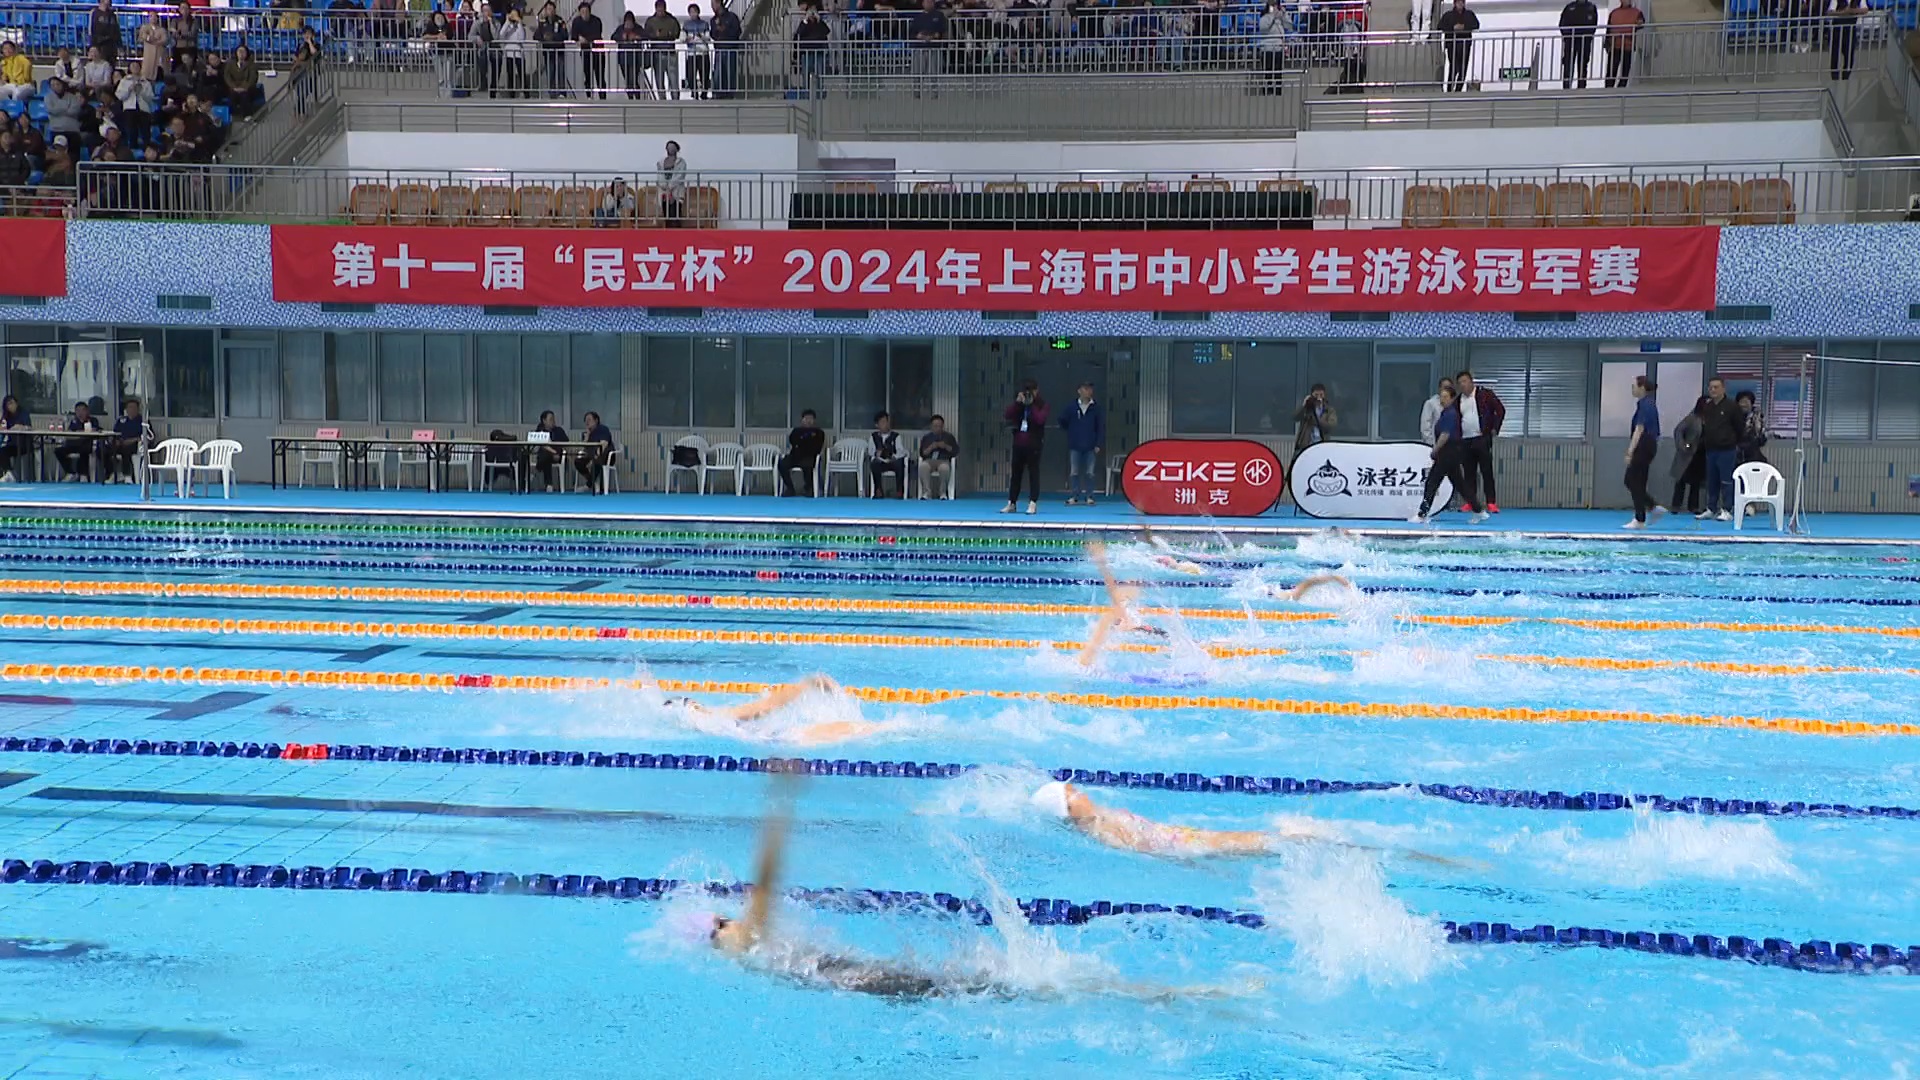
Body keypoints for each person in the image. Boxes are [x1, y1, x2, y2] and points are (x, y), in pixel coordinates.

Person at [693, 774, 1252, 1000]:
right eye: (718, 925)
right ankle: (1183, 994)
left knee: (1014, 983)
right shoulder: (750, 944)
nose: (726, 919)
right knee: (1021, 983)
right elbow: (767, 880)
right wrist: (780, 805)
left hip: (877, 982)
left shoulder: (765, 957)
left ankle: (1172, 994)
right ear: (721, 940)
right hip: (882, 982)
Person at [667, 675, 887, 745]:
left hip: (776, 737)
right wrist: (807, 685)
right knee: (866, 729)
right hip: (778, 738)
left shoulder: (715, 720)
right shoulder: (715, 719)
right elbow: (766, 707)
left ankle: (883, 728)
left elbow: (766, 708)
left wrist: (806, 686)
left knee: (865, 729)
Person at [1412, 383, 1466, 523]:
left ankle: (1422, 514)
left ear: (1452, 398)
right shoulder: (1446, 412)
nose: (1442, 400)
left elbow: (1445, 435)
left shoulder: (1451, 414)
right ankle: (1479, 510)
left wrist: (1435, 450)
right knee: (1460, 484)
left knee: (1432, 482)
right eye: (1441, 396)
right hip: (1449, 453)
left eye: (1445, 397)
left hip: (1446, 453)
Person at [1454, 369, 1504, 516]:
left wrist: (1494, 428)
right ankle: (1471, 502)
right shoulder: (1458, 400)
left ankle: (1491, 502)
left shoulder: (1485, 395)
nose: (1463, 385)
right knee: (1469, 472)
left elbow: (1500, 410)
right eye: (1460, 383)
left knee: (1486, 470)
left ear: (1471, 381)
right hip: (1465, 440)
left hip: (1481, 438)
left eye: (1465, 381)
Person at [1001, 379, 1048, 515]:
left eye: (1032, 391)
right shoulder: (1019, 405)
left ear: (1037, 391)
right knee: (1016, 475)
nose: (1029, 394)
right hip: (1018, 443)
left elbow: (1040, 419)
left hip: (1034, 444)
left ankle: (1033, 502)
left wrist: (1031, 405)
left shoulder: (1042, 405)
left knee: (1033, 474)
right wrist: (1017, 403)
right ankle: (1012, 502)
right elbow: (1008, 415)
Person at [1698, 376, 1741, 522]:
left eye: (1716, 387)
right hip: (1711, 450)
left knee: (1726, 480)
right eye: (1711, 387)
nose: (1713, 390)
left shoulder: (1732, 406)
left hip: (1727, 450)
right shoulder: (1708, 407)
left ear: (1723, 388)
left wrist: (1733, 442)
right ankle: (1711, 508)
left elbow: (1739, 427)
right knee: (1712, 480)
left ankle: (1727, 509)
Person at [1621, 376, 1662, 530]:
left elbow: (1639, 429)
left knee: (1631, 480)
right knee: (1638, 481)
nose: (1632, 389)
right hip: (1649, 445)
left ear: (1642, 387)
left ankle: (1642, 515)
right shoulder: (1649, 403)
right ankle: (1648, 511)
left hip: (1644, 444)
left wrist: (1630, 451)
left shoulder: (1645, 404)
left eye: (1634, 386)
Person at [1059, 381, 1105, 507]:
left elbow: (1100, 427)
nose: (1088, 391)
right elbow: (1062, 420)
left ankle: (1089, 496)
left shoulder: (1096, 408)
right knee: (1074, 472)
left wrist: (1098, 444)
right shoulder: (1072, 407)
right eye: (1085, 389)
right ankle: (1074, 495)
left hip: (1091, 445)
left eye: (1090, 389)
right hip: (1075, 445)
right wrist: (1071, 432)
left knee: (1090, 472)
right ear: (1079, 391)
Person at [1669, 395, 1707, 517]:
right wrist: (1682, 445)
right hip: (1689, 453)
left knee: (1696, 482)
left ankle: (1694, 506)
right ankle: (1676, 505)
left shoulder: (1712, 419)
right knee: (1681, 480)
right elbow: (1678, 430)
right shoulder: (1692, 418)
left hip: (1702, 454)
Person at [779, 409, 826, 496]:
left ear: (814, 420)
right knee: (782, 464)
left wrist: (803, 441)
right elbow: (794, 442)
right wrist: (805, 440)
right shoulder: (796, 431)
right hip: (795, 456)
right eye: (806, 418)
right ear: (802, 420)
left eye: (810, 419)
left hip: (810, 456)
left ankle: (808, 488)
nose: (808, 421)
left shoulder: (819, 432)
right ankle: (790, 488)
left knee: (807, 466)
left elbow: (817, 447)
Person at [907, 0, 947, 97]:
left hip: (934, 47)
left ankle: (934, 93)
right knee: (917, 71)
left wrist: (934, 36)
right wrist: (919, 36)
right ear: (923, 4)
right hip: (920, 47)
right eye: (927, 2)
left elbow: (942, 31)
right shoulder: (918, 18)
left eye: (930, 1)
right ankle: (916, 92)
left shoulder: (939, 16)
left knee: (934, 71)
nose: (928, 3)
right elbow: (912, 33)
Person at [1437, 0, 1478, 93]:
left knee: (1463, 69)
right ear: (1454, 3)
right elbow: (1440, 26)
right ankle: (1449, 89)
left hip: (1465, 45)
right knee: (1454, 68)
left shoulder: (1469, 14)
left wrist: (1464, 27)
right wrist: (1453, 28)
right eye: (1458, 2)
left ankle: (1458, 90)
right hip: (1452, 45)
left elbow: (1476, 24)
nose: (1460, 4)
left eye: (1462, 2)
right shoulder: (1448, 15)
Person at [642, 0, 681, 98]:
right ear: (656, 8)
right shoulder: (651, 21)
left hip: (670, 53)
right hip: (657, 54)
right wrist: (655, 35)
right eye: (658, 9)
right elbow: (645, 34)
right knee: (659, 81)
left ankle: (676, 100)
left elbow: (677, 33)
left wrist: (666, 34)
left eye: (661, 8)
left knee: (673, 80)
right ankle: (662, 100)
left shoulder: (672, 20)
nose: (660, 11)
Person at [102, 398, 147, 482]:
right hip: (120, 443)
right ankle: (112, 474)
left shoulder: (143, 421)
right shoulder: (121, 420)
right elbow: (115, 433)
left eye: (133, 407)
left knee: (126, 450)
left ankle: (127, 475)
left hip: (134, 445)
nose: (131, 409)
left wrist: (132, 440)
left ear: (138, 409)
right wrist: (116, 441)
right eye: (129, 407)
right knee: (103, 450)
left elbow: (147, 436)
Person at [54, 402, 101, 482]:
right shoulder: (74, 421)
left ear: (87, 411)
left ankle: (84, 475)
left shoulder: (93, 420)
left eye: (82, 410)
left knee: (84, 450)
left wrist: (80, 432)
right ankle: (70, 472)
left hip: (87, 444)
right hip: (73, 444)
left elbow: (94, 430)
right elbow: (70, 433)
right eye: (78, 411)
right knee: (58, 450)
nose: (80, 413)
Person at [866, 411, 906, 499]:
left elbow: (901, 451)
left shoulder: (896, 436)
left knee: (900, 463)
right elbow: (870, 451)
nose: (886, 424)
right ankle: (878, 490)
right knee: (874, 464)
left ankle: (899, 491)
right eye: (882, 422)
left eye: (887, 421)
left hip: (893, 462)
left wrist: (893, 456)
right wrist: (877, 454)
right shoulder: (873, 437)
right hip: (880, 462)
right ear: (877, 425)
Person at [1602, 0, 1642, 89]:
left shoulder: (1636, 12)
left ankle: (1621, 88)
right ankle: (1609, 88)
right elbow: (1609, 29)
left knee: (1625, 70)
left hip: (1627, 45)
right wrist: (1607, 43)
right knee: (1611, 70)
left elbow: (1641, 23)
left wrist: (1639, 24)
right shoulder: (1614, 13)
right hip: (1615, 45)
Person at [1557, 0, 1597, 88]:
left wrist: (1588, 36)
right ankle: (1567, 86)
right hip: (1570, 41)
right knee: (1568, 64)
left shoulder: (1591, 7)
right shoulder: (1570, 7)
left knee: (1583, 64)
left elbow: (1594, 25)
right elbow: (1562, 24)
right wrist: (1567, 36)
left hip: (1584, 41)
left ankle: (1581, 86)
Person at [573, 409, 614, 492]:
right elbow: (584, 448)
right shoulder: (587, 433)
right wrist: (587, 436)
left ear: (596, 420)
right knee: (578, 462)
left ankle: (589, 484)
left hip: (605, 455)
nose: (587, 422)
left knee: (597, 460)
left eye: (589, 420)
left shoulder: (603, 429)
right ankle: (592, 482)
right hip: (591, 455)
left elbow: (604, 444)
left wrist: (596, 456)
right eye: (585, 420)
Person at [572, 1, 606, 99]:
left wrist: (584, 39)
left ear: (590, 12)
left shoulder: (596, 21)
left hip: (598, 52)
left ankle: (602, 98)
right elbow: (573, 36)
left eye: (586, 12)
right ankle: (589, 97)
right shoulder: (576, 22)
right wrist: (579, 38)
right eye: (582, 12)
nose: (585, 14)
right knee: (587, 76)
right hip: (585, 52)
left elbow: (596, 35)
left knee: (600, 76)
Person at [918, 414, 958, 497]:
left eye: (940, 426)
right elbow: (922, 453)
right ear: (931, 426)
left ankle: (942, 493)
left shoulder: (949, 437)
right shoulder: (926, 437)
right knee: (923, 466)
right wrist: (931, 447)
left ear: (943, 426)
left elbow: (955, 451)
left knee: (944, 468)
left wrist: (945, 446)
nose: (938, 428)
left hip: (943, 460)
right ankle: (926, 492)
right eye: (935, 426)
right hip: (929, 460)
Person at [535, 1, 569, 95]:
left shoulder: (560, 21)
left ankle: (562, 93)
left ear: (554, 10)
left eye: (551, 9)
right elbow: (536, 36)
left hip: (559, 51)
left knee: (561, 72)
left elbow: (565, 35)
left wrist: (553, 37)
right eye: (548, 9)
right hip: (548, 52)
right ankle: (552, 93)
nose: (550, 11)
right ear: (545, 10)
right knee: (550, 73)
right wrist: (544, 38)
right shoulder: (542, 22)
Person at [1292, 383, 1334, 461]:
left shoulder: (1329, 410)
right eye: (1316, 395)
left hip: (1322, 443)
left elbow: (1330, 426)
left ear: (1324, 395)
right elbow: (1295, 417)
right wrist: (1304, 405)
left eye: (1321, 395)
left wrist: (1316, 419)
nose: (1318, 397)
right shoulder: (1307, 409)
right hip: (1306, 444)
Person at [709, 0, 742, 97]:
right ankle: (718, 94)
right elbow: (713, 35)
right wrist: (716, 30)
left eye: (713, 4)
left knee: (730, 72)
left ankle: (730, 94)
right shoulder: (713, 20)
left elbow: (737, 32)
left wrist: (724, 29)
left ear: (719, 3)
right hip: (719, 49)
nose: (712, 7)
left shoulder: (731, 17)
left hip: (730, 49)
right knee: (718, 73)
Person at [1829, 0, 1869, 80]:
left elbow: (1865, 10)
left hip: (1850, 30)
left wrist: (1853, 11)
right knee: (1835, 55)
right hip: (1837, 29)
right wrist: (1843, 13)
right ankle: (1835, 77)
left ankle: (1846, 76)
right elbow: (1830, 12)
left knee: (1849, 55)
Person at [531, 409, 568, 491]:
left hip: (558, 456)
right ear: (544, 421)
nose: (553, 421)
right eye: (551, 419)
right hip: (547, 455)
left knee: (545, 456)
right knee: (546, 454)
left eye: (554, 419)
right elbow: (540, 444)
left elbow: (566, 444)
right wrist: (553, 452)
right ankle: (549, 484)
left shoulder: (559, 430)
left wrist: (557, 452)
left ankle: (536, 472)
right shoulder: (540, 431)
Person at [612, 10, 647, 96]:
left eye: (630, 21)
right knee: (627, 81)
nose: (628, 23)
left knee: (633, 80)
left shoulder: (638, 28)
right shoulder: (620, 29)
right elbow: (613, 37)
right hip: (623, 59)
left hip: (635, 59)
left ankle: (637, 97)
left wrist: (636, 37)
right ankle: (630, 97)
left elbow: (646, 36)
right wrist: (621, 37)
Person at [223, 45, 263, 118]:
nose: (241, 53)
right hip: (233, 87)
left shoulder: (252, 65)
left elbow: (253, 78)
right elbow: (227, 77)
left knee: (244, 96)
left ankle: (247, 115)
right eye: (239, 51)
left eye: (243, 51)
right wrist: (234, 87)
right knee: (232, 95)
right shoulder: (230, 64)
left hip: (247, 88)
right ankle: (232, 115)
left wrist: (244, 87)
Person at [498, 9, 530, 97]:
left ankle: (526, 93)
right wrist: (507, 21)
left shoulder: (521, 26)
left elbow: (521, 38)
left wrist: (519, 23)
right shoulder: (507, 26)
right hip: (509, 52)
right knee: (510, 74)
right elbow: (501, 34)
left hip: (519, 52)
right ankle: (511, 93)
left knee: (521, 74)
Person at [683, 4, 712, 97]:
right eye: (691, 12)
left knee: (704, 75)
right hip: (692, 53)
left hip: (703, 52)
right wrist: (687, 39)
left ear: (698, 12)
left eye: (694, 12)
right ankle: (694, 92)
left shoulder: (704, 24)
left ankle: (704, 93)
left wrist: (700, 36)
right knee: (690, 75)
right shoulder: (686, 24)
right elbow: (682, 38)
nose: (693, 14)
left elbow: (708, 38)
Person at [0, 396, 30, 484]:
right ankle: (8, 473)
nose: (10, 406)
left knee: (3, 452)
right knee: (2, 451)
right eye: (8, 404)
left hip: (24, 445)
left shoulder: (23, 413)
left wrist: (21, 427)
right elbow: (3, 428)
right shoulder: (6, 415)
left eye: (12, 403)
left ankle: (10, 474)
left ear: (16, 403)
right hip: (12, 444)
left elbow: (29, 427)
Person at [657, 139, 687, 225]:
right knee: (666, 214)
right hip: (664, 191)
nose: (671, 149)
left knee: (675, 213)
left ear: (677, 149)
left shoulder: (681, 162)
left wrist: (670, 186)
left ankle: (676, 230)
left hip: (676, 190)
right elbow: (659, 175)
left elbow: (680, 175)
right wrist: (664, 186)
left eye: (673, 147)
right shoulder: (661, 162)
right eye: (669, 147)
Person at [1418, 375, 1454, 446]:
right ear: (1439, 388)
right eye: (1445, 387)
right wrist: (1430, 443)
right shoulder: (1430, 403)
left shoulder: (1453, 404)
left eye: (1449, 388)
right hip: (1434, 443)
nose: (1447, 390)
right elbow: (1425, 426)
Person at [1735, 390, 1769, 465]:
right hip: (1736, 454)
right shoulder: (1733, 416)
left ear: (1751, 403)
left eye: (1746, 402)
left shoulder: (1758, 417)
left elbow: (1762, 439)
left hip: (1753, 453)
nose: (1743, 405)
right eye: (1741, 402)